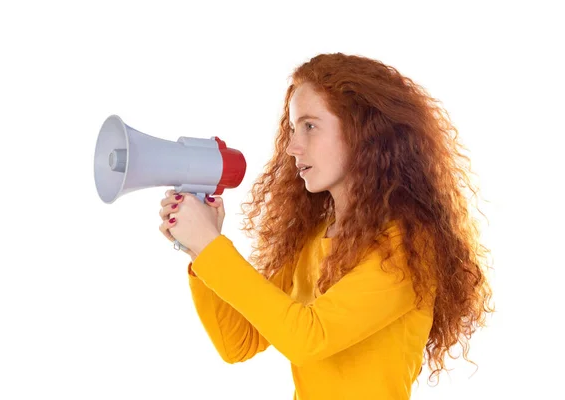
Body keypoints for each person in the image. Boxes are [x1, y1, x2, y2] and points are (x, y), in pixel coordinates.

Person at [158, 52, 494, 399]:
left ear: (362, 132)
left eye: (310, 126)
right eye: (292, 129)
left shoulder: (408, 248)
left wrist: (212, 247)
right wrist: (199, 249)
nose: (291, 147)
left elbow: (308, 338)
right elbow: (237, 341)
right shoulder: (313, 239)